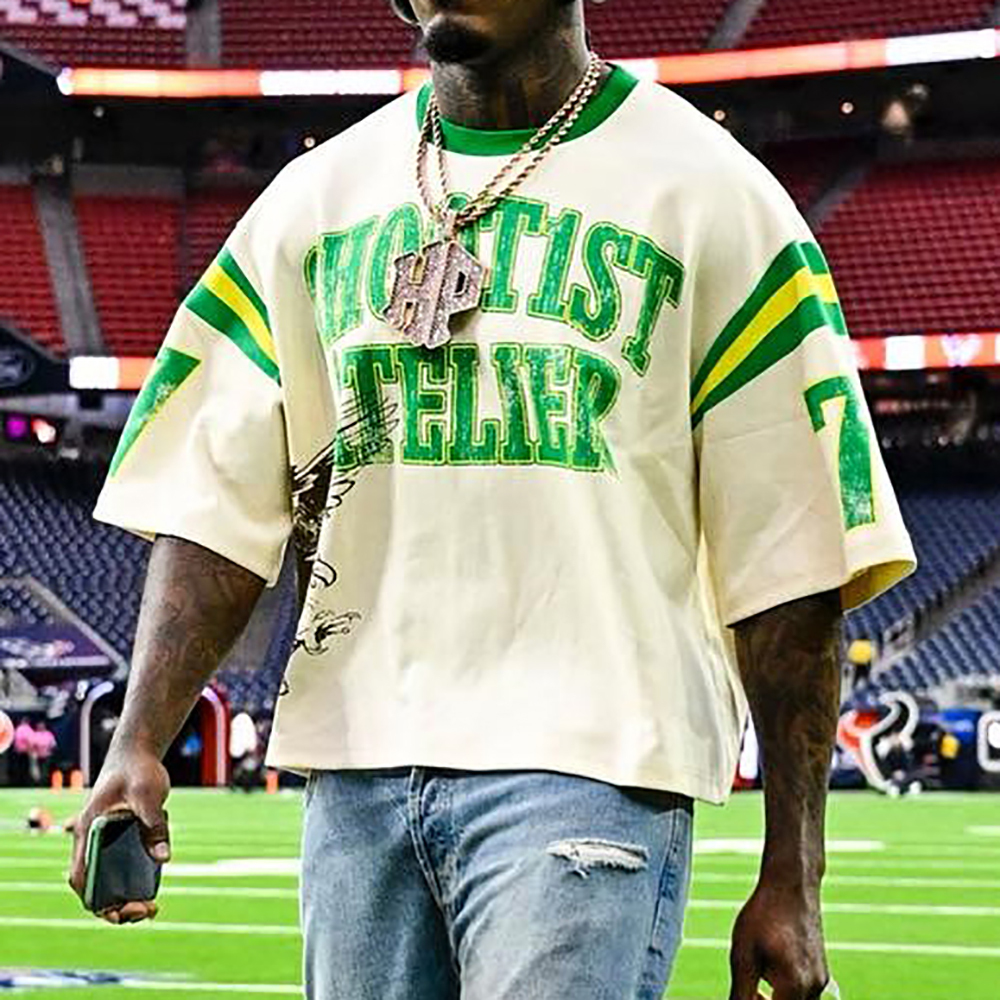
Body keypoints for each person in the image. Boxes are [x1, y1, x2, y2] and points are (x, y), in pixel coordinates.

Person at [70, 1, 916, 997]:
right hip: (357, 763)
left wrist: (794, 870)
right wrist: (137, 738)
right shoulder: (312, 201)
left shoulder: (714, 194)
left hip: (590, 765)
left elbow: (792, 558)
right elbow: (215, 502)